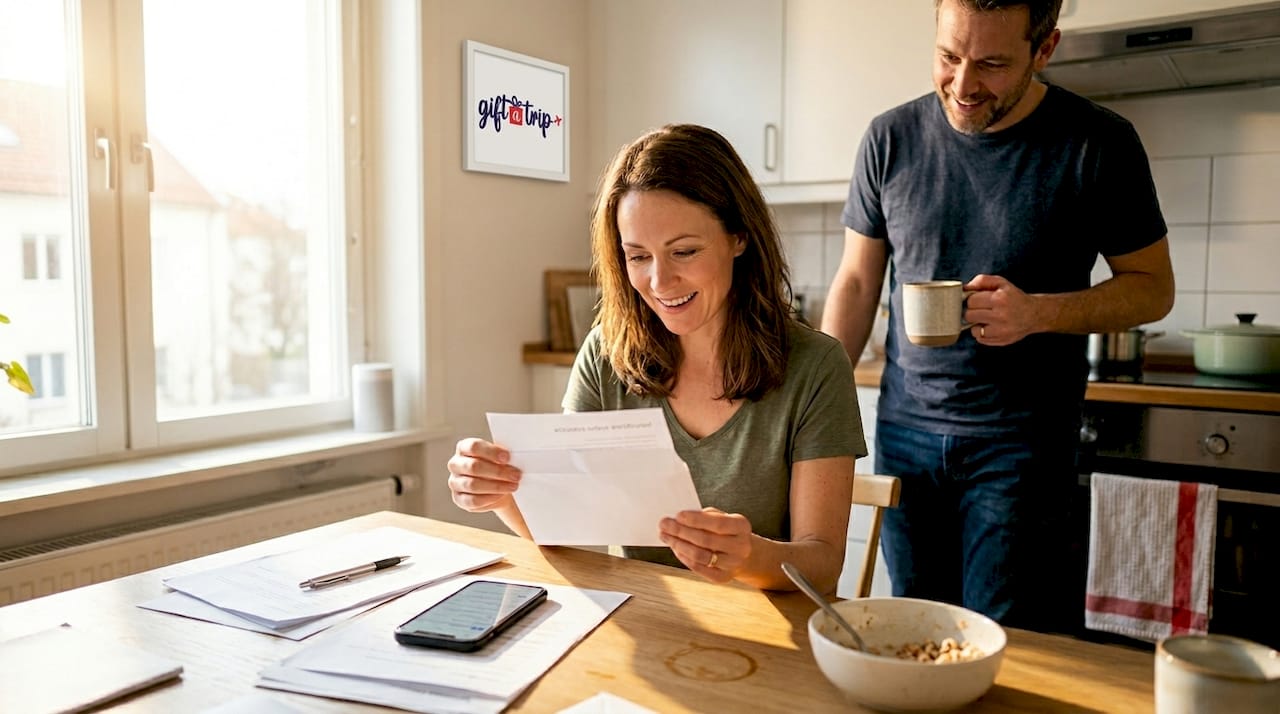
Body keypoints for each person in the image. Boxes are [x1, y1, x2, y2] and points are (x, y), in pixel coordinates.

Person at [821, 0, 1174, 630]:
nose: (962, 85)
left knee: (1004, 640)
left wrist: (1036, 312)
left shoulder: (1098, 142)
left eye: (991, 64)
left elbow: (1152, 289)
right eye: (948, 56)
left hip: (1023, 444)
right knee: (915, 630)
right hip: (905, 434)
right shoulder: (890, 138)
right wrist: (811, 400)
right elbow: (855, 281)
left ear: (1045, 49)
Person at [449, 123, 866, 593]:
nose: (660, 282)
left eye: (684, 251)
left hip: (767, 631)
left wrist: (750, 555)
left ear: (739, 237)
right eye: (638, 256)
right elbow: (565, 531)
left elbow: (823, 561)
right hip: (648, 620)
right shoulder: (606, 354)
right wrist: (501, 495)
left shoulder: (816, 366)